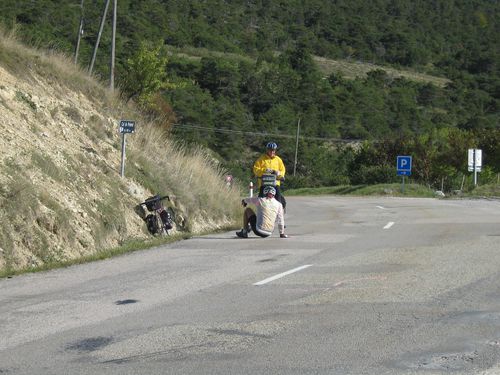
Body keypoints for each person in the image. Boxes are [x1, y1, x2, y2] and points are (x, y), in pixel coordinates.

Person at [253, 141, 286, 208]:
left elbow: (283, 170)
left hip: (275, 183)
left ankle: (279, 214)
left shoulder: (278, 160)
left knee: (279, 200)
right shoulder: (261, 159)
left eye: (273, 150)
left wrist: (279, 173)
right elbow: (255, 169)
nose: (272, 152)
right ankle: (260, 214)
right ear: (267, 150)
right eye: (270, 150)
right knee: (260, 200)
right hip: (264, 183)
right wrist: (264, 171)